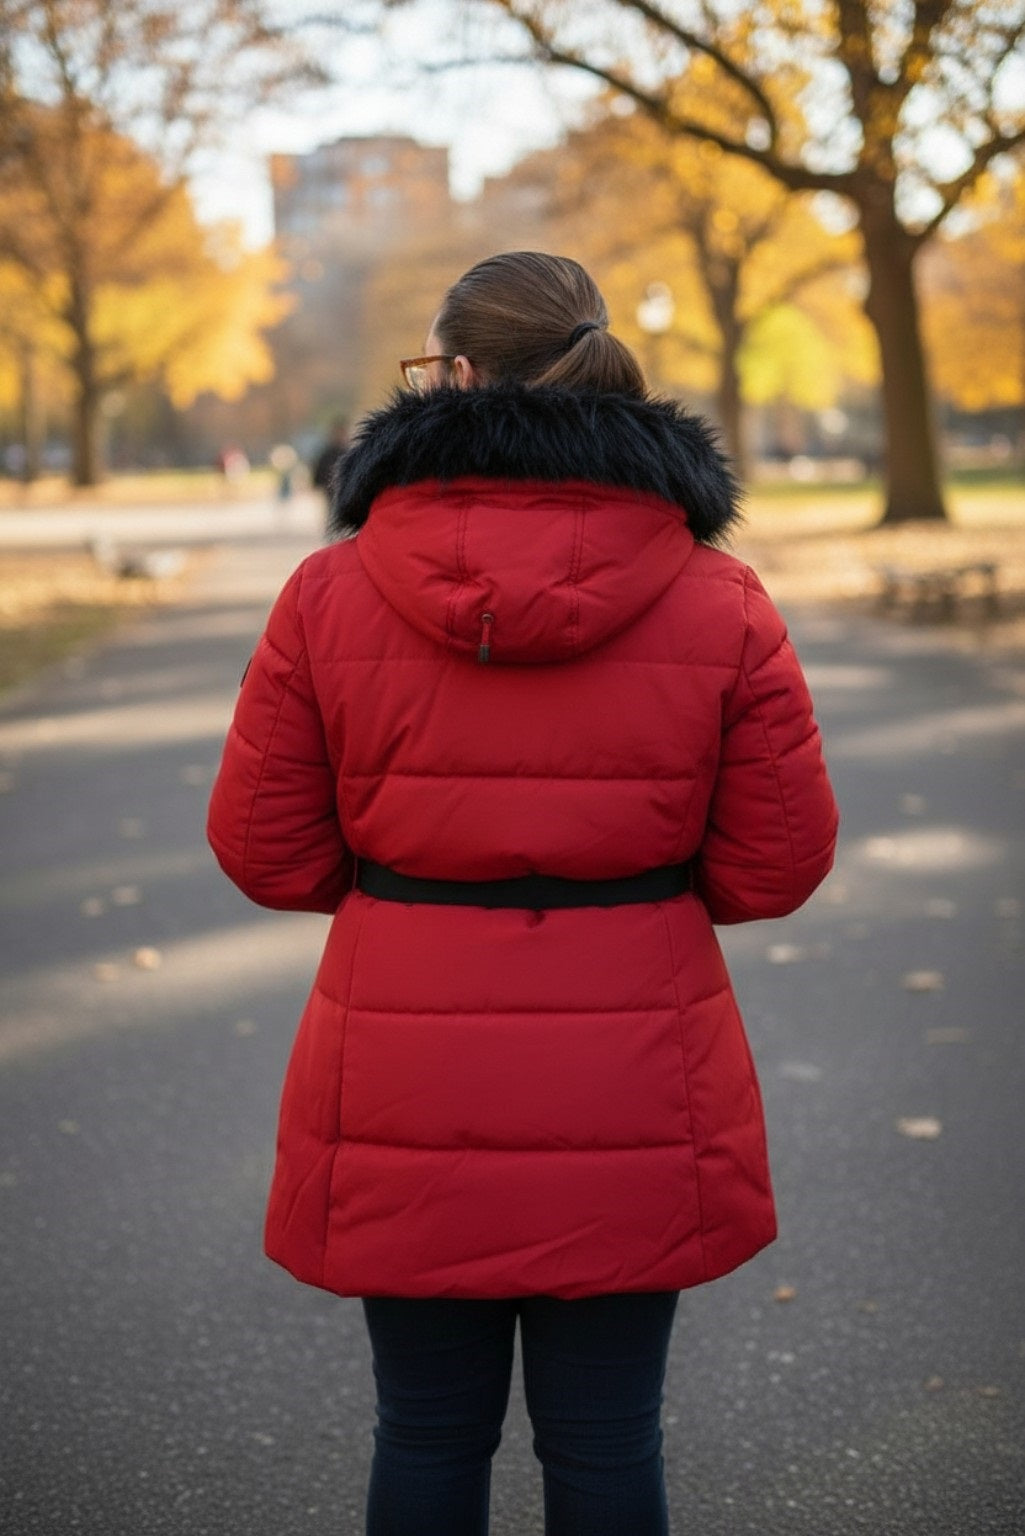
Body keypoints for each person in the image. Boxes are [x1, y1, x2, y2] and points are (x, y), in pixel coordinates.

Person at [207, 251, 839, 1536]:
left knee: (427, 1433)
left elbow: (264, 850)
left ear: (450, 377)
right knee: (606, 1444)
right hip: (634, 1060)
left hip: (404, 1058)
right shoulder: (718, 598)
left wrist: (404, 877)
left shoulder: (329, 594)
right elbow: (777, 861)